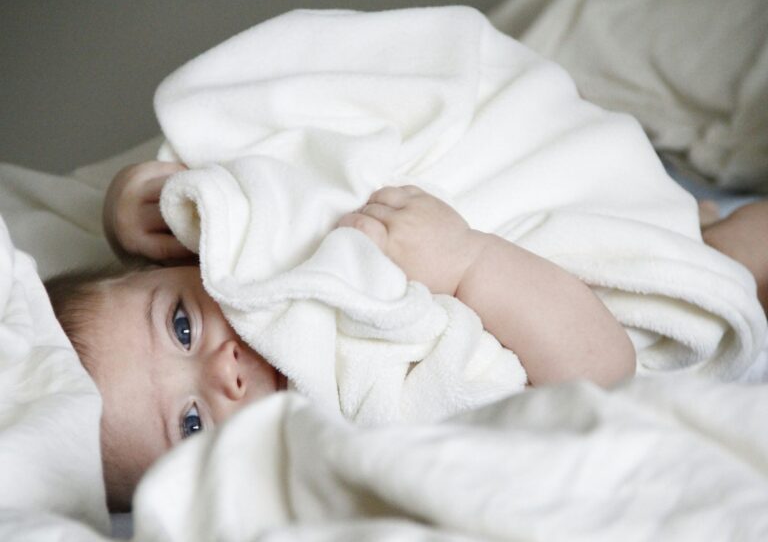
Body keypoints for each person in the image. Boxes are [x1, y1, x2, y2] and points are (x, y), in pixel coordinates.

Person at [46, 160, 767, 510]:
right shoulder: (355, 424)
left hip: (555, 204)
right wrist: (467, 260)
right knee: (728, 266)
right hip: (586, 312)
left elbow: (260, 173)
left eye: (179, 325)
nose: (222, 370)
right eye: (193, 421)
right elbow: (603, 375)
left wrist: (135, 204)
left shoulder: (261, 254)